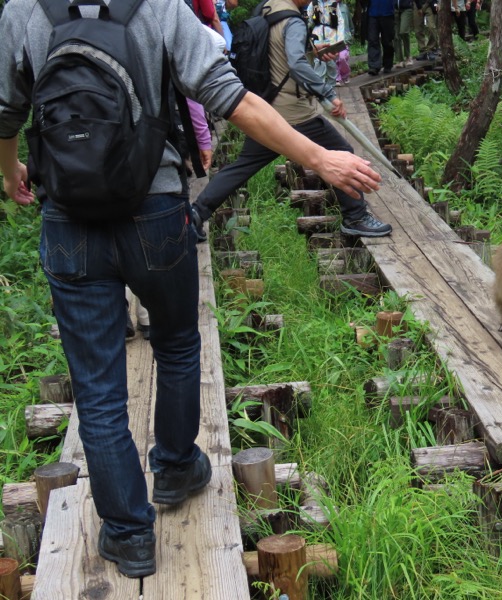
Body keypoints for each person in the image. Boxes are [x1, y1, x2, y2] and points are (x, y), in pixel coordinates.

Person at [0, 0, 380, 579]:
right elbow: (233, 98)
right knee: (177, 341)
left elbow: (5, 112)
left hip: (69, 218)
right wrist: (320, 156)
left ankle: (128, 536)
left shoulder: (23, 10)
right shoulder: (158, 7)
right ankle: (176, 468)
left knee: (97, 389)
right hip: (153, 209)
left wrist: (10, 173)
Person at [191, 0, 392, 241]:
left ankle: (195, 214)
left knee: (241, 166)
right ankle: (356, 218)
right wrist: (327, 94)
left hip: (267, 109)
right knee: (342, 149)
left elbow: (277, 54)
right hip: (293, 112)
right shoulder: (294, 19)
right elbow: (295, 64)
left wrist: (314, 52)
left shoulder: (269, 8)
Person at [307, 0, 348, 86]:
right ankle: (319, 88)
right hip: (318, 36)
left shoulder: (334, 4)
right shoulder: (314, 4)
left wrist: (340, 39)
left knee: (332, 64)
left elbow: (340, 22)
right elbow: (308, 21)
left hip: (332, 36)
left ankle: (331, 88)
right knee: (318, 63)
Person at [366, 0, 395, 76]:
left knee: (387, 41)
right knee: (372, 39)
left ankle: (388, 64)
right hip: (372, 13)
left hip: (387, 13)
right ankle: (374, 66)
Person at [394, 0, 414, 68]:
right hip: (395, 9)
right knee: (396, 35)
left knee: (403, 31)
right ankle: (399, 60)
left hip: (406, 7)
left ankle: (408, 57)